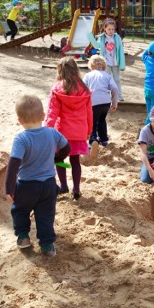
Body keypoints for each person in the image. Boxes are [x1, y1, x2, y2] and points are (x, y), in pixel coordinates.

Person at [5, 95, 71, 257]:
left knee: (20, 210)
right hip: (48, 185)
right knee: (45, 215)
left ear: (20, 121)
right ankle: (47, 245)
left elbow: (13, 164)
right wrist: (56, 159)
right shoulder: (52, 133)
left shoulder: (21, 138)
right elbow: (67, 148)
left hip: (27, 185)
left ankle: (24, 238)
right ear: (43, 116)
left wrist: (9, 188)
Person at [44, 57, 93, 201]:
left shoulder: (58, 88)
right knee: (75, 160)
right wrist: (89, 130)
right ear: (76, 69)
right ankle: (76, 189)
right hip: (79, 131)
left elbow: (52, 112)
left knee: (59, 159)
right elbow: (89, 113)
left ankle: (64, 186)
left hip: (62, 132)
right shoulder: (84, 89)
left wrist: (47, 130)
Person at [83, 55, 118, 151]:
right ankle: (104, 139)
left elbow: (83, 88)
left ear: (91, 66)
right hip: (106, 101)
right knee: (102, 120)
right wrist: (114, 104)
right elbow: (115, 88)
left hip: (93, 101)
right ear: (104, 66)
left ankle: (93, 140)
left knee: (92, 121)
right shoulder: (107, 76)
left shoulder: (88, 75)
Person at [87, 18, 126, 101]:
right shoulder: (102, 38)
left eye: (112, 29)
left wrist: (122, 63)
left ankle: (119, 96)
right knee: (106, 79)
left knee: (117, 79)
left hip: (115, 62)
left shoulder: (117, 37)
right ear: (104, 28)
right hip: (106, 63)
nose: (111, 31)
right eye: (109, 29)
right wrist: (90, 37)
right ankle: (107, 96)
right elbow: (97, 46)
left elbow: (120, 51)